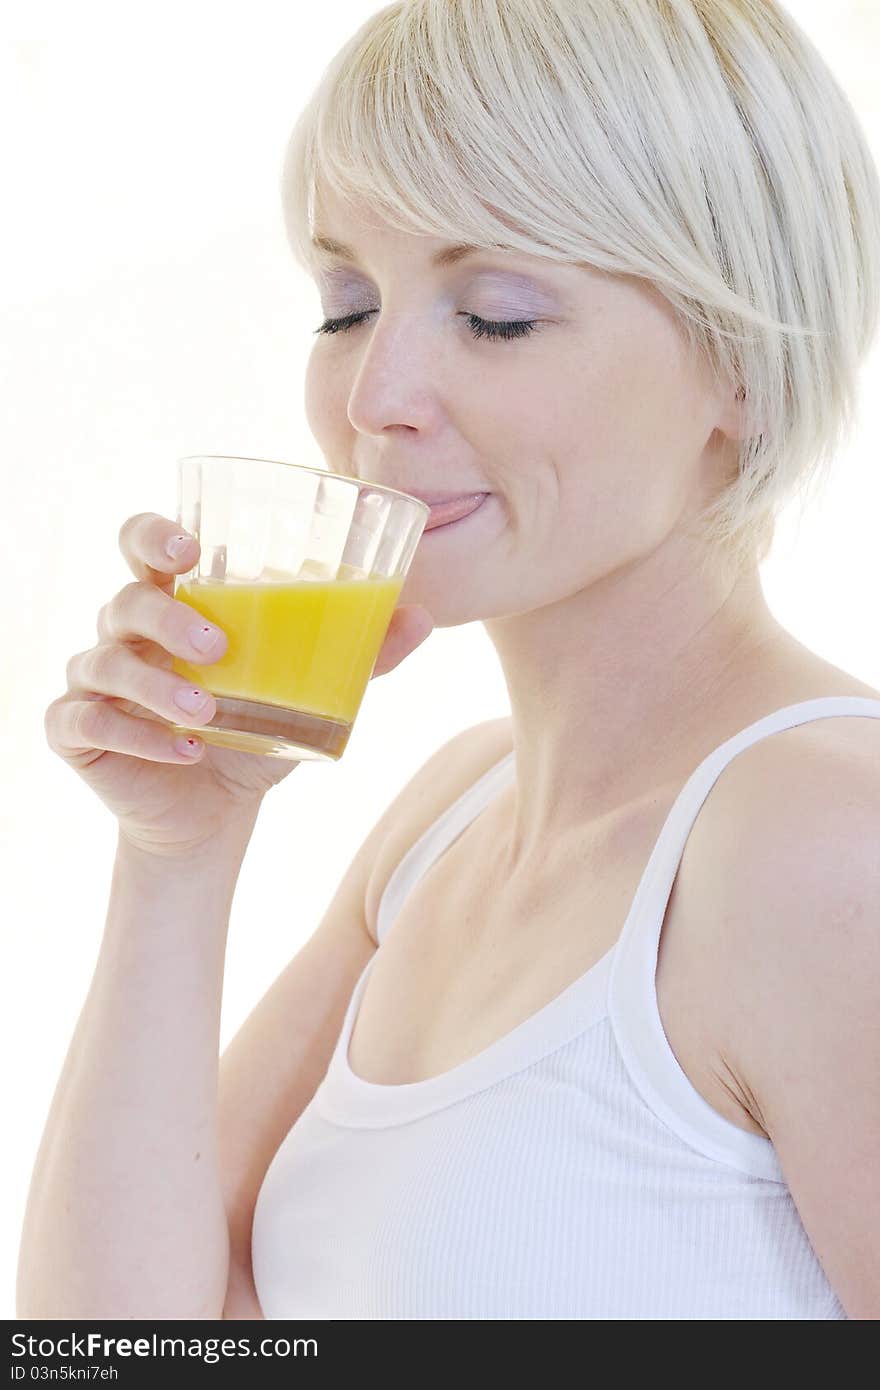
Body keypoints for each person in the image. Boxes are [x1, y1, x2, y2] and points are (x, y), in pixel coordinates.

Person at [18, 0, 880, 1320]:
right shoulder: (448, 819)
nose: (373, 400)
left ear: (747, 367)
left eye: (495, 315)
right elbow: (126, 1348)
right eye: (350, 303)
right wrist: (177, 857)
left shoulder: (824, 838)